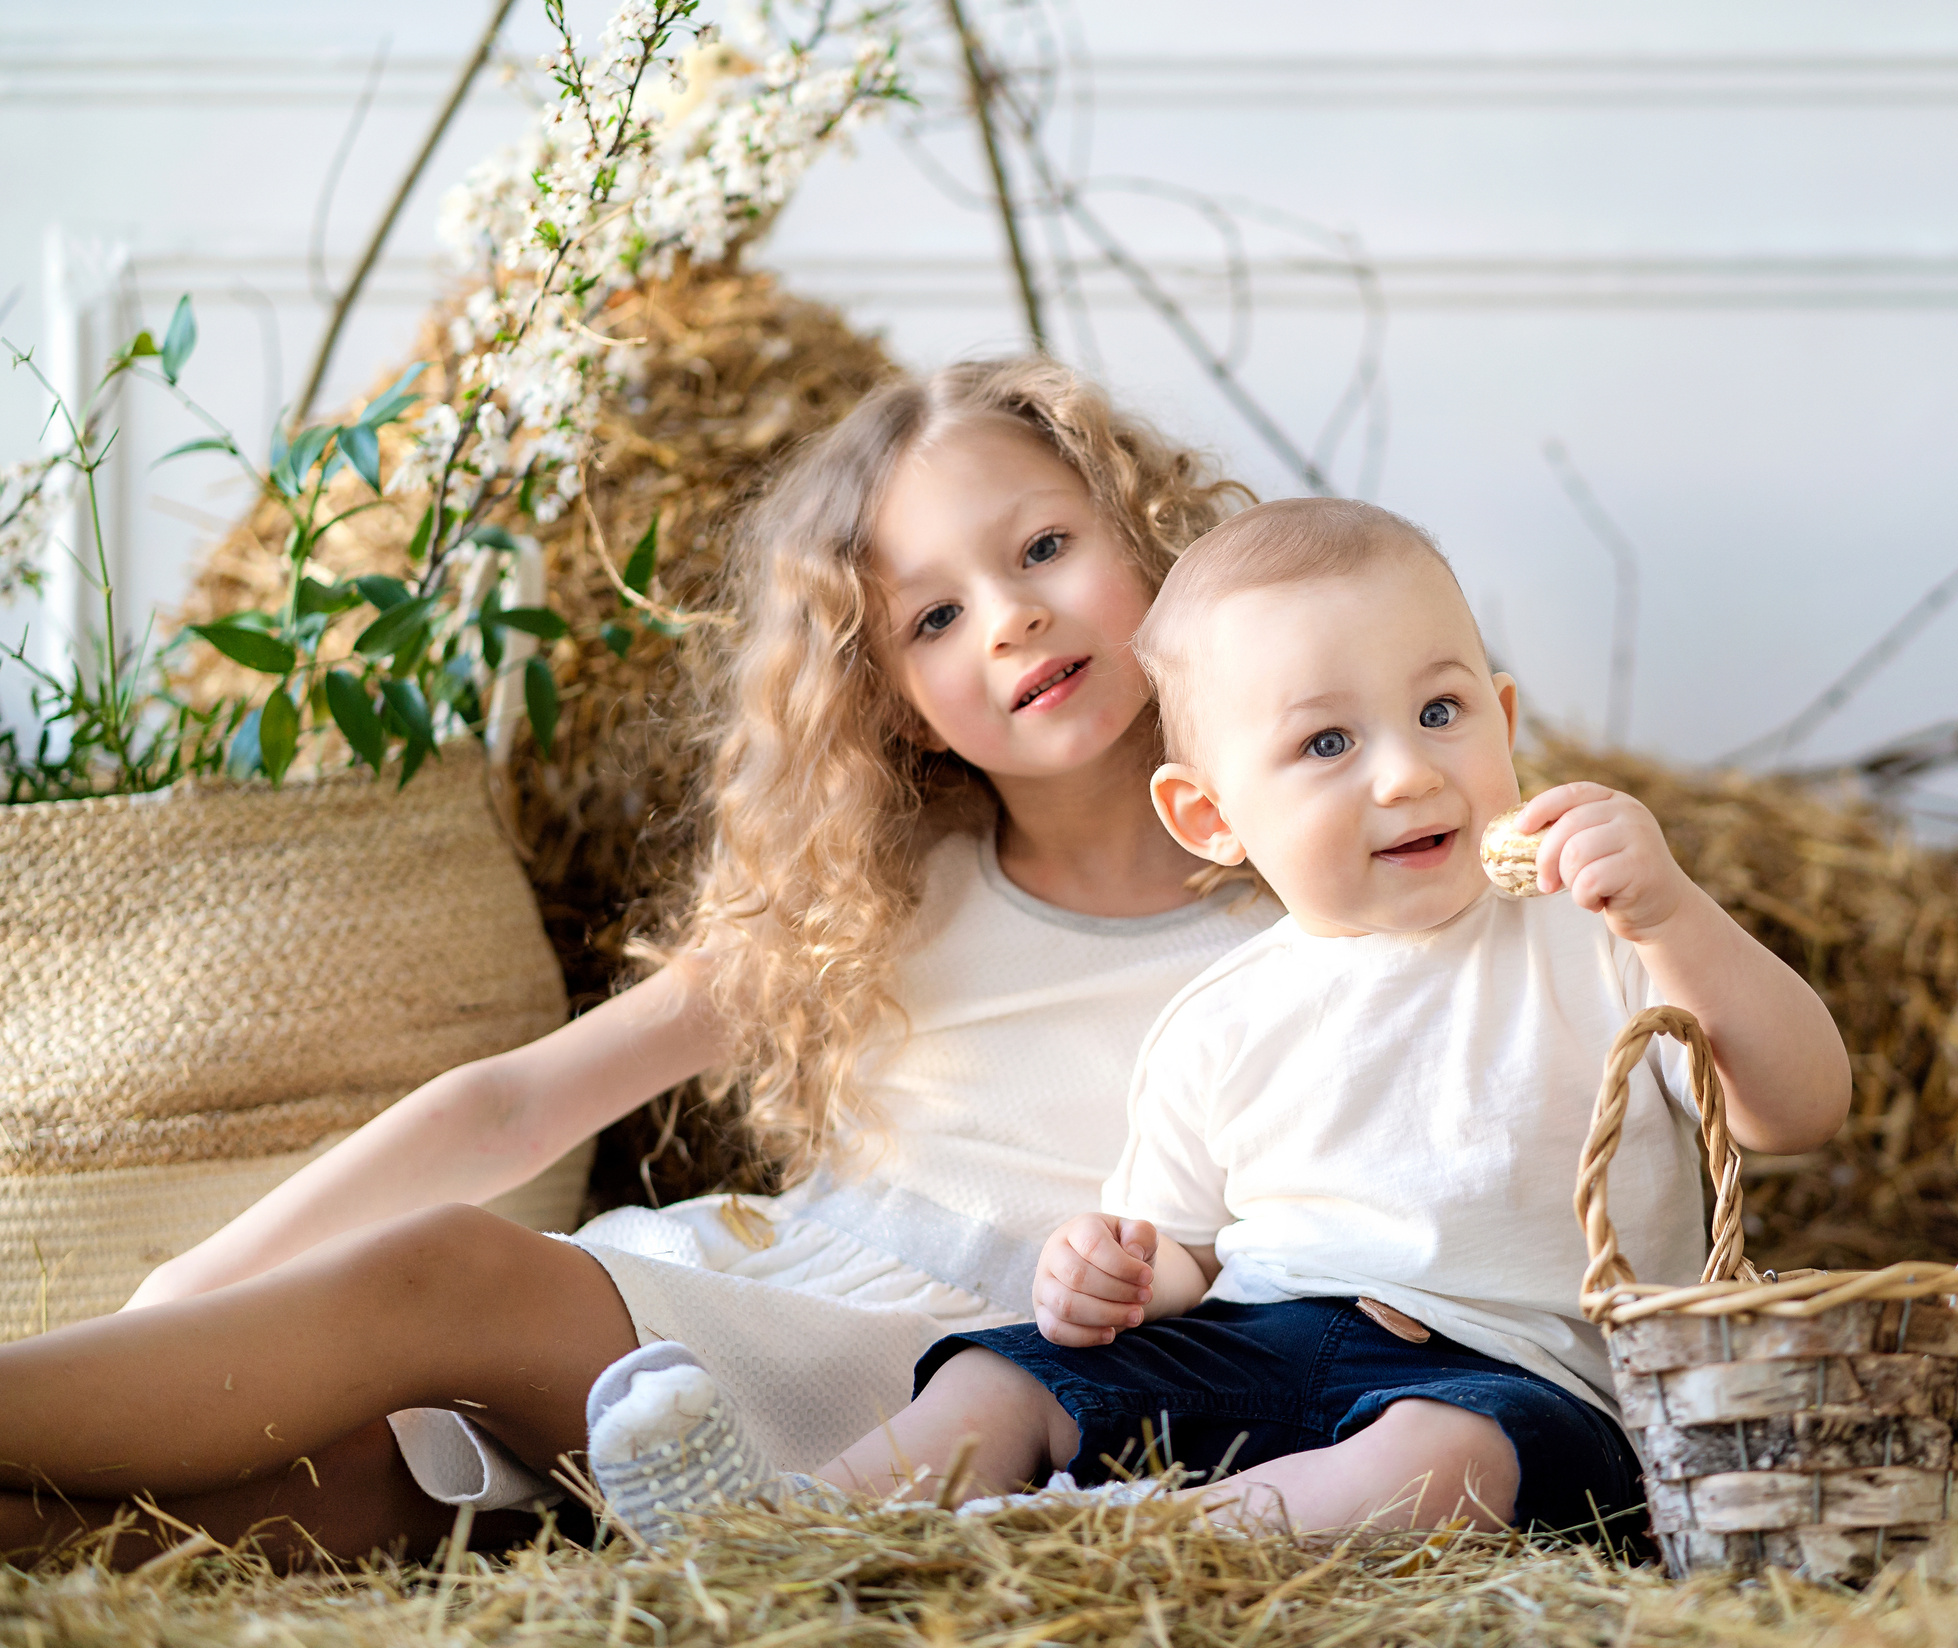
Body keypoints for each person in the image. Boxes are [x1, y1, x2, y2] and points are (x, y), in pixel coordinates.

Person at [0, 359, 1280, 1568]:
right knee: (324, 1483)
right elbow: (515, 1103)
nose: (1011, 620)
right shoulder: (889, 884)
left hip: (967, 1383)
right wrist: (182, 1289)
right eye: (934, 616)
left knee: (453, 1275)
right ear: (887, 696)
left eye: (1046, 547)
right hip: (749, 1322)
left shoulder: (1304, 918)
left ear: (1150, 536)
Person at [587, 497, 1851, 1545]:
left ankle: (1118, 1549)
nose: (1406, 771)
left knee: (1446, 1462)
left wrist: (1674, 910)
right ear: (1211, 820)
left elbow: (1797, 1110)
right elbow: (1181, 1248)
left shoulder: (1601, 940)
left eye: (1441, 713)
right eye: (1327, 743)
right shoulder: (1225, 1014)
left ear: (1505, 725)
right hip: (1261, 1341)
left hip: (1516, 1376)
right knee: (1001, 1372)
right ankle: (775, 1537)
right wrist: (1113, 1272)